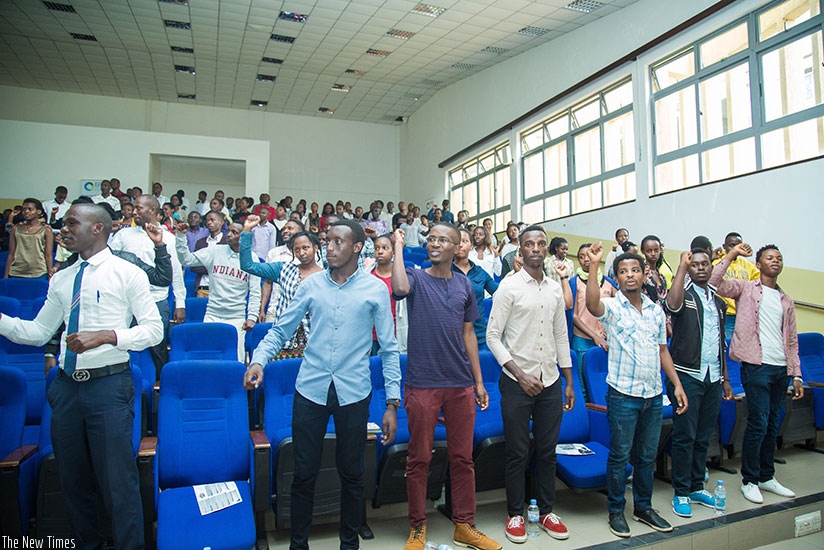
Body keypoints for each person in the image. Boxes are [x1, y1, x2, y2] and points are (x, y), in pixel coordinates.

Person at [0, 202, 162, 549]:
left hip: (109, 386)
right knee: (72, 481)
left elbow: (154, 330)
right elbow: (38, 331)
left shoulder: (126, 273)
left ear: (98, 228)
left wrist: (107, 335)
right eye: (64, 223)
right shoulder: (61, 278)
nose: (64, 229)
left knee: (118, 483)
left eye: (73, 223)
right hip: (66, 389)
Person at [244, 219, 401, 550]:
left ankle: (349, 544)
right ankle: (298, 544)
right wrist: (258, 359)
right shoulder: (312, 286)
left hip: (354, 393)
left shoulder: (375, 289)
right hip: (311, 390)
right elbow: (280, 330)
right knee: (303, 473)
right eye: (327, 241)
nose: (329, 247)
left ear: (357, 247)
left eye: (338, 242)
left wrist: (392, 403)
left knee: (352, 474)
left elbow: (389, 350)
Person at [392, 224, 501, 550]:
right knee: (419, 458)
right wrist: (398, 246)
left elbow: (470, 334)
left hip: (459, 384)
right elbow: (398, 289)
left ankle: (464, 525)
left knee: (463, 458)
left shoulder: (466, 285)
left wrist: (479, 381)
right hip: (423, 383)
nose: (435, 244)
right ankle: (417, 526)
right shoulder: (415, 277)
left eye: (443, 240)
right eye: (431, 239)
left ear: (456, 247)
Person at [584, 241, 687, 538]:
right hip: (623, 395)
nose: (630, 275)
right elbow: (592, 305)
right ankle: (616, 510)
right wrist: (594, 266)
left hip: (653, 394)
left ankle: (643, 507)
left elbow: (662, 351)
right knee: (620, 455)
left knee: (646, 456)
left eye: (635, 270)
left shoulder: (655, 311)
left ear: (644, 275)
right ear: (617, 278)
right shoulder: (614, 308)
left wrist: (676, 385)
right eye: (623, 271)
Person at [486, 225, 574, 544]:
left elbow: (561, 335)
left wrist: (568, 380)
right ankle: (514, 515)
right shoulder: (508, 288)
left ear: (546, 249)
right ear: (520, 250)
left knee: (548, 451)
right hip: (516, 381)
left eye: (540, 243)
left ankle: (547, 511)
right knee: (518, 452)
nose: (535, 248)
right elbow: (493, 337)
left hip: (550, 379)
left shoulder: (552, 289)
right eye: (529, 244)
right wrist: (520, 374)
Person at [709, 242, 803, 504]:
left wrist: (796, 374)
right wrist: (732, 255)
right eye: (770, 258)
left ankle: (766, 476)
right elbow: (714, 283)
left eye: (779, 257)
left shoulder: (787, 301)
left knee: (773, 423)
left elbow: (793, 340)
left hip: (780, 368)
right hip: (756, 365)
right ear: (758, 265)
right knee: (758, 422)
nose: (775, 260)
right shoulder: (746, 289)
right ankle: (749, 480)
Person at [665, 248, 733, 518]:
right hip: (687, 377)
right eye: (696, 265)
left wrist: (725, 379)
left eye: (706, 264)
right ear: (690, 269)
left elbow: (721, 344)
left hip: (713, 376)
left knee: (703, 436)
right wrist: (681, 267)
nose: (701, 268)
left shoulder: (718, 302)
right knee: (685, 437)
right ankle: (680, 491)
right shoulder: (685, 295)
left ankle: (695, 486)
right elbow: (672, 304)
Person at [109, 194, 186, 376]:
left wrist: (180, 303)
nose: (134, 211)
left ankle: (160, 389)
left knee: (157, 348)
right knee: (124, 345)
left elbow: (175, 271)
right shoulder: (123, 235)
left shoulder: (168, 238)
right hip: (125, 301)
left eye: (138, 208)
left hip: (156, 300)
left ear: (152, 210)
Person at [174, 220, 260, 362]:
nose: (229, 235)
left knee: (236, 361)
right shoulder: (215, 251)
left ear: (244, 236)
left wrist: (252, 317)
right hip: (212, 314)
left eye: (235, 232)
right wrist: (181, 237)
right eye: (229, 231)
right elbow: (186, 260)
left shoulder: (252, 258)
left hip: (237, 317)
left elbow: (255, 292)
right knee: (208, 358)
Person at [240, 220, 322, 361]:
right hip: (285, 340)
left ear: (315, 248)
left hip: (315, 342)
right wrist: (247, 231)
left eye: (305, 248)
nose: (301, 253)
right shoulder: (283, 269)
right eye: (297, 249)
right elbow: (248, 265)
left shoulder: (327, 276)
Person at [570, 243, 616, 399]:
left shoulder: (608, 282)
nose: (585, 259)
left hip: (607, 340)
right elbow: (574, 315)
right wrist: (595, 337)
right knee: (583, 387)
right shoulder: (574, 282)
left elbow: (620, 309)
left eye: (588, 255)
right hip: (583, 341)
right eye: (581, 257)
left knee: (604, 385)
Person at [453, 227, 498, 351]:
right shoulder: (444, 272)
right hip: (452, 338)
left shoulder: (479, 272)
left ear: (471, 245)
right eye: (456, 241)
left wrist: (517, 274)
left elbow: (500, 292)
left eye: (464, 241)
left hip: (479, 335)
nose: (460, 245)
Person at [712, 232, 760, 336]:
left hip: (743, 316)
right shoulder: (717, 263)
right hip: (724, 315)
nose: (735, 249)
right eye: (731, 245)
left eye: (738, 245)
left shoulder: (748, 265)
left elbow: (758, 285)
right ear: (724, 246)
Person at [4, 198, 54, 279]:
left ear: (39, 212)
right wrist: (6, 275)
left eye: (30, 209)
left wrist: (50, 275)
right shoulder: (16, 229)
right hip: (16, 271)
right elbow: (11, 253)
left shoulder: (46, 230)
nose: (26, 212)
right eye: (24, 209)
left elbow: (48, 255)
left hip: (38, 272)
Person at [190, 211, 229, 297]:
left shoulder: (227, 243)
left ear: (221, 222)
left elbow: (227, 268)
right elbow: (194, 266)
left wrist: (205, 264)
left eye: (212, 220)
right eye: (207, 220)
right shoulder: (201, 243)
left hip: (222, 290)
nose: (209, 223)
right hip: (202, 288)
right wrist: (215, 267)